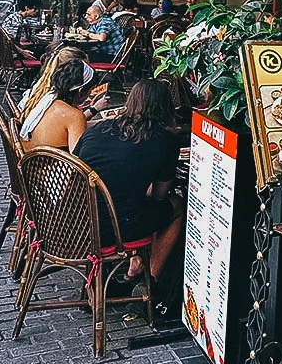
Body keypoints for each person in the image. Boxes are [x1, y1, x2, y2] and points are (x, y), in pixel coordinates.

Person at [74, 79, 185, 286]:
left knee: (136, 200)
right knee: (176, 204)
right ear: (166, 107)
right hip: (113, 230)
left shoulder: (98, 129)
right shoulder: (166, 141)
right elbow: (160, 195)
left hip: (74, 222)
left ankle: (136, 262)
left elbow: (75, 166)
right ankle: (148, 277)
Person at [18, 58, 95, 152]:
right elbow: (78, 156)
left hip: (31, 159)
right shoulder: (74, 115)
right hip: (47, 164)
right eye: (91, 89)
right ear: (80, 91)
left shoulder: (46, 99)